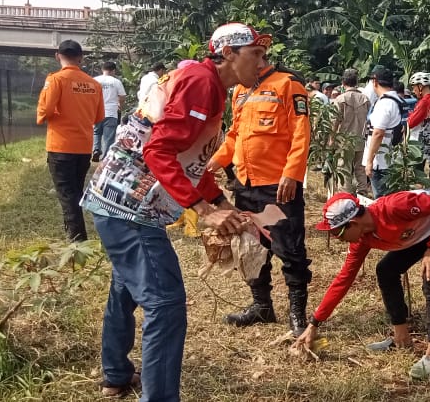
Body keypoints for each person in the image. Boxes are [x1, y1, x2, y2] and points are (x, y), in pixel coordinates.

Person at [80, 22, 268, 400]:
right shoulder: (201, 83)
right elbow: (158, 152)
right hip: (131, 208)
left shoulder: (204, 82)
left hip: (115, 200)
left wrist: (221, 203)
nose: (263, 64)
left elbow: (189, 160)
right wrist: (201, 210)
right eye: (256, 55)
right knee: (165, 304)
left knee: (125, 288)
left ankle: (115, 374)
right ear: (229, 53)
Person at [293, 190, 430, 379]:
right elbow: (344, 279)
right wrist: (314, 323)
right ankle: (401, 337)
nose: (338, 239)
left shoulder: (395, 206)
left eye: (337, 233)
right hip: (420, 234)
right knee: (386, 270)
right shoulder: (362, 239)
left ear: (353, 223)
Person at [208, 57, 313, 337]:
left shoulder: (288, 85)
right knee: (250, 247)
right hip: (245, 183)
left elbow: (301, 133)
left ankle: (297, 314)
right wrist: (215, 162)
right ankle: (261, 306)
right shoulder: (240, 91)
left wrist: (292, 173)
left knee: (289, 249)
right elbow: (234, 135)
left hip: (277, 186)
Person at [36, 39, 105, 242]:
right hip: (83, 147)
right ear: (80, 58)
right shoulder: (94, 84)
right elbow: (98, 117)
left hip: (61, 146)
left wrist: (44, 115)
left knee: (67, 194)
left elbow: (46, 109)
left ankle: (77, 240)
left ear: (58, 56)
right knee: (75, 191)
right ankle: (77, 234)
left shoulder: (56, 80)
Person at [363, 66, 405, 197]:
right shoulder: (396, 101)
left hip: (381, 162)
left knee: (381, 200)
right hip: (390, 157)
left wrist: (369, 161)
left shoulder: (385, 103)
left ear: (374, 82)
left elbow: (378, 133)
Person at [333, 68, 371, 196]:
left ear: (343, 83)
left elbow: (335, 122)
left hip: (344, 141)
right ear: (357, 82)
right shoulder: (365, 99)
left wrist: (331, 140)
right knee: (360, 169)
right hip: (361, 139)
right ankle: (362, 195)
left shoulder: (340, 99)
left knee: (344, 169)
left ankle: (346, 196)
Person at [92, 62, 127, 161]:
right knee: (109, 136)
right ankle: (105, 158)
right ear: (113, 71)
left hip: (97, 112)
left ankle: (96, 149)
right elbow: (122, 96)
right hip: (111, 112)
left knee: (96, 132)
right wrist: (120, 104)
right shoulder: (116, 82)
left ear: (102, 69)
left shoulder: (94, 80)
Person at [407, 71, 430, 170]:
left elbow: (411, 123)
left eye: (414, 87)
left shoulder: (424, 102)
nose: (413, 91)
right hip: (429, 143)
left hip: (418, 143)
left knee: (415, 175)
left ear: (420, 86)